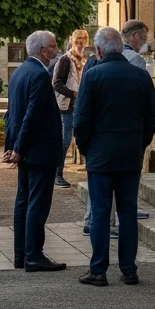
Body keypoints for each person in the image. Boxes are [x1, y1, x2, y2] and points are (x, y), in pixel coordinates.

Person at [74, 27, 155, 287]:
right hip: (130, 154)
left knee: (101, 213)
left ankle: (98, 270)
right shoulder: (140, 75)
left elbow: (81, 119)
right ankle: (129, 269)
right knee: (128, 212)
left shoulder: (92, 75)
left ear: (99, 50)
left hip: (100, 155)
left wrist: (86, 148)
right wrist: (140, 142)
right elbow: (153, 116)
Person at [3, 30, 66, 273]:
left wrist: (12, 146)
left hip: (27, 150)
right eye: (53, 46)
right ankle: (33, 255)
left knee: (24, 200)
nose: (56, 50)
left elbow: (11, 114)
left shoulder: (20, 72)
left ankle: (21, 254)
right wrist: (17, 148)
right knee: (37, 204)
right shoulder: (39, 74)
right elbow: (31, 115)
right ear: (42, 50)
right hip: (39, 151)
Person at [51, 28, 89, 189]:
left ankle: (90, 170)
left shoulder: (84, 60)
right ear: (72, 42)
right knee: (65, 140)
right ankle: (57, 174)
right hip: (66, 105)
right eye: (77, 41)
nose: (80, 45)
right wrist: (73, 94)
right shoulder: (65, 60)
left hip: (80, 104)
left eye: (82, 42)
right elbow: (56, 83)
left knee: (83, 137)